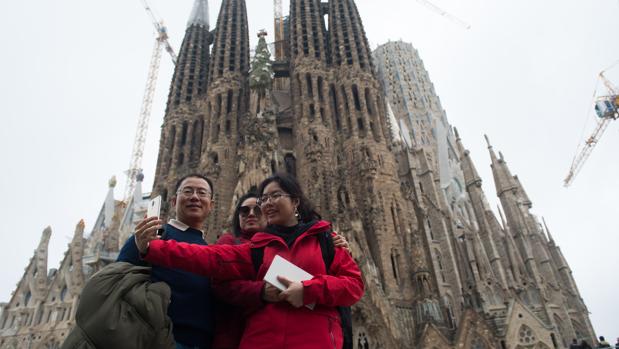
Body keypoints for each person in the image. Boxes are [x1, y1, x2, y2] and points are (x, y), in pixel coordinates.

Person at [136, 173, 364, 349]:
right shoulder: (257, 249)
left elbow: (354, 286)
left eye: (275, 196)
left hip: (314, 339)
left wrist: (307, 289)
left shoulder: (325, 241)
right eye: (265, 198)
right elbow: (209, 258)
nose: (267, 204)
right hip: (261, 340)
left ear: (295, 202)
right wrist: (153, 247)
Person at [211, 192, 351, 349]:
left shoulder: (286, 244)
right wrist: (261, 291)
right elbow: (218, 283)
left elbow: (347, 283)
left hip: (298, 332)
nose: (251, 214)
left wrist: (332, 245)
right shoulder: (229, 243)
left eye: (257, 210)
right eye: (244, 211)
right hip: (239, 331)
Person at [118, 174, 216, 349]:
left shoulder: (210, 249)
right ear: (173, 201)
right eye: (188, 191)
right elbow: (118, 278)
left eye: (202, 193)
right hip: (156, 339)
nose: (195, 197)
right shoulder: (153, 235)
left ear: (211, 206)